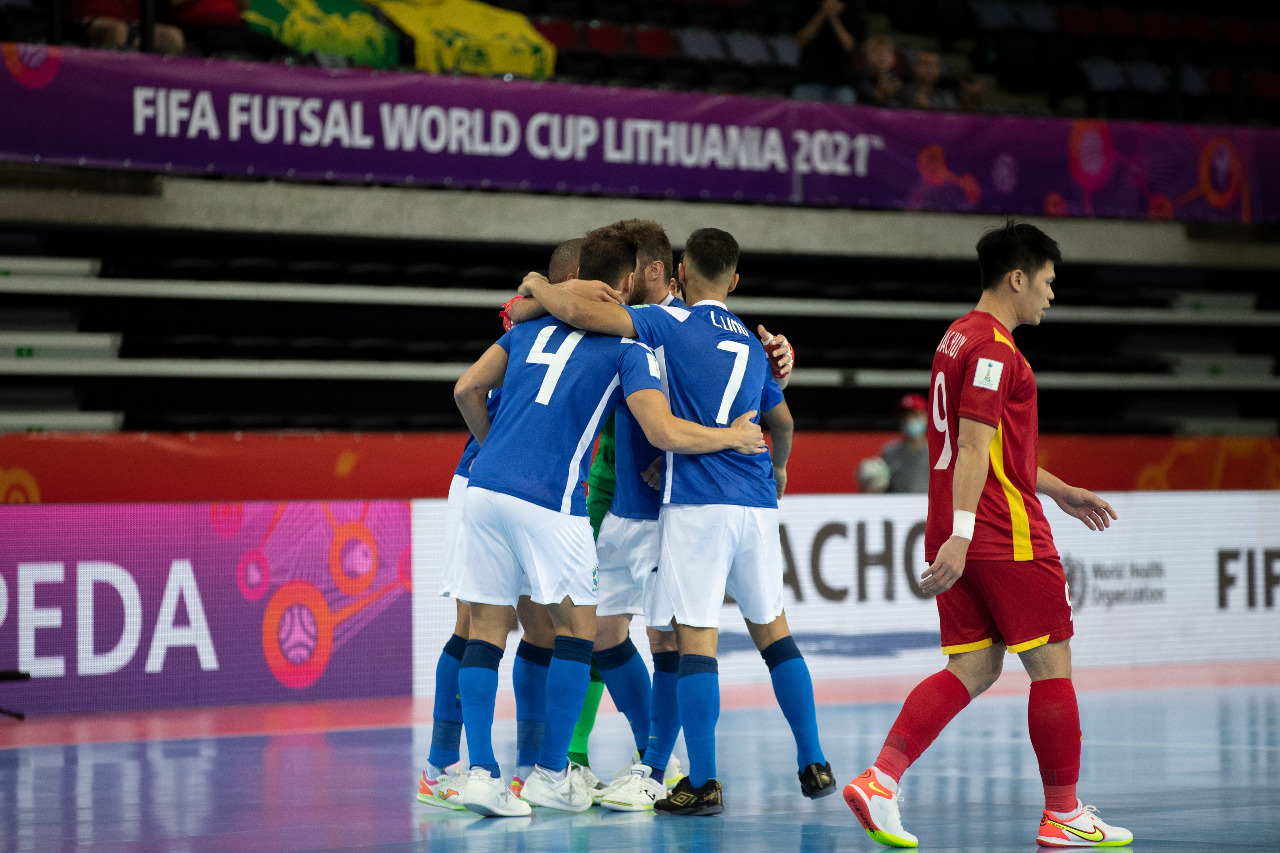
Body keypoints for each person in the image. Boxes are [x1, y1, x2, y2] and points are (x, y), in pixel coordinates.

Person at [451, 227, 767, 817]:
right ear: (628, 280)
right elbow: (664, 431)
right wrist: (734, 437)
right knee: (581, 630)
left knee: (486, 630)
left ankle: (479, 775)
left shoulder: (525, 326)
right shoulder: (630, 348)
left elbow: (466, 387)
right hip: (555, 501)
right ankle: (550, 773)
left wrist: (497, 451)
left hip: (484, 489)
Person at [519, 228, 834, 816]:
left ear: (676, 273)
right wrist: (778, 465)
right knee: (624, 633)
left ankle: (664, 768)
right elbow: (780, 419)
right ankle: (805, 758)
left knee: (682, 639)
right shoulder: (740, 334)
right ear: (733, 280)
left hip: (684, 506)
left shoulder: (661, 325)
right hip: (719, 501)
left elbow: (666, 422)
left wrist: (534, 289)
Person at [842, 221, 1132, 849]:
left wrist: (1060, 490)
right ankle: (1063, 814)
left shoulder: (956, 338)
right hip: (1002, 533)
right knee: (1051, 666)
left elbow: (993, 445)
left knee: (972, 667)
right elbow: (974, 446)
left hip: (962, 528)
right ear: (1017, 277)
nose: (1051, 295)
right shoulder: (998, 350)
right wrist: (967, 535)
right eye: (1048, 282)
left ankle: (880, 780)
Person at [416, 239, 585, 811]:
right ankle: (443, 768)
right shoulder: (532, 314)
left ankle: (524, 769)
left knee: (536, 629)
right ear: (577, 281)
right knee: (475, 622)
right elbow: (471, 383)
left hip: (501, 484)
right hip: (494, 479)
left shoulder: (541, 314)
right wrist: (498, 451)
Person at [792, 0, 866, 104]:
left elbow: (850, 46)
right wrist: (822, 13)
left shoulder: (852, 5)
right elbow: (800, 40)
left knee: (843, 119)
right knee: (804, 119)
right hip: (809, 77)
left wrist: (833, 17)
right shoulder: (806, 4)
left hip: (842, 81)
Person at [64, 0, 185, 53]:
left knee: (172, 36)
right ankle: (107, 86)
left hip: (132, 21)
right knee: (117, 31)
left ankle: (159, 84)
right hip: (86, 16)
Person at [879, 393, 929, 494]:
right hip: (898, 507)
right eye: (905, 416)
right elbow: (884, 487)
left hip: (926, 507)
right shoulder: (889, 452)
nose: (909, 420)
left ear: (927, 417)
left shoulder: (938, 454)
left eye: (915, 415)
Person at [853, 35, 903, 108]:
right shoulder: (859, 77)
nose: (882, 56)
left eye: (886, 52)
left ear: (893, 58)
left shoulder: (897, 79)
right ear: (865, 57)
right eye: (876, 51)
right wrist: (880, 95)